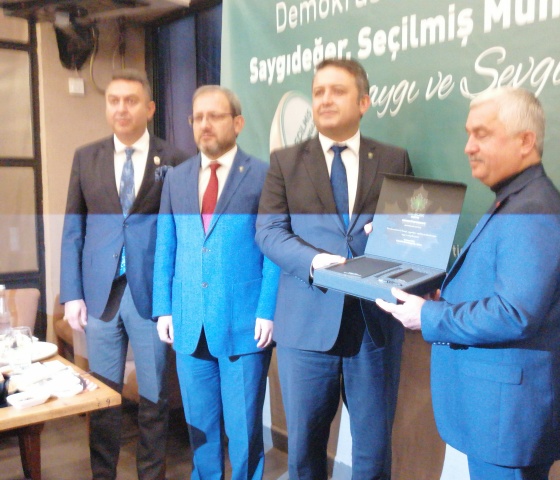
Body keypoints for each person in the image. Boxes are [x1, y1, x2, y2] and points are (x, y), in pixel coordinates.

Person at [377, 87, 560, 479]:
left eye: (483, 134)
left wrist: (429, 315)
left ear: (526, 141)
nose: (469, 147)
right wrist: (443, 296)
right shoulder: (517, 198)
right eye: (468, 134)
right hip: (500, 413)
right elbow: (502, 289)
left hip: (509, 420)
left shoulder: (532, 209)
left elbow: (514, 313)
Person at [256, 58, 413, 479]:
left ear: (363, 102)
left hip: (374, 328)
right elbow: (268, 231)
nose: (325, 99)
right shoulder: (285, 162)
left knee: (373, 453)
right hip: (306, 327)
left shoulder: (395, 159)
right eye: (318, 92)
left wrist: (392, 234)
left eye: (337, 91)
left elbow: (411, 232)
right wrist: (312, 261)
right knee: (305, 452)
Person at [60, 69, 188, 480]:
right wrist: (71, 293)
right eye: (113, 100)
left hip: (151, 294)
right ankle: (103, 474)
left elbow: (182, 232)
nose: (121, 108)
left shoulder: (174, 159)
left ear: (149, 108)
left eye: (130, 101)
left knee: (153, 399)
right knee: (102, 397)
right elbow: (73, 228)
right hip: (100, 295)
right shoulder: (86, 157)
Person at [153, 85, 279, 479]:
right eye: (198, 117)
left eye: (215, 116)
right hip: (189, 323)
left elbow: (274, 249)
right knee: (201, 433)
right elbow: (166, 245)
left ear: (237, 123)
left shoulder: (263, 175)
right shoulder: (176, 178)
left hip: (244, 326)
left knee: (244, 435)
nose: (204, 124)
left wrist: (267, 309)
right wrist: (163, 308)